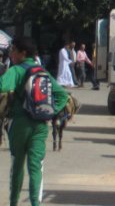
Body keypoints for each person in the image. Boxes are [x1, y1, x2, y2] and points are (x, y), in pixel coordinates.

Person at [1, 35, 69, 206]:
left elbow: (2, 86)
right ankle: (35, 204)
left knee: (17, 164)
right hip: (40, 125)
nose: (11, 54)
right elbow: (62, 95)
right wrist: (50, 112)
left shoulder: (15, 71)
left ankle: (13, 202)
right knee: (35, 167)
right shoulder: (42, 71)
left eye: (14, 50)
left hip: (19, 123)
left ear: (22, 53)